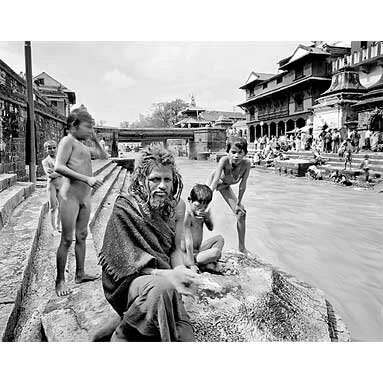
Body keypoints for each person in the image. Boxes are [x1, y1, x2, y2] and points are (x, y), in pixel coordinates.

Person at [97, 145, 199, 342]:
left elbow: (175, 249)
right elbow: (124, 264)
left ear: (174, 180)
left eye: (167, 179)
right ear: (142, 181)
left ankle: (128, 321)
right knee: (161, 289)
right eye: (155, 179)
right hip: (130, 282)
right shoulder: (125, 207)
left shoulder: (178, 207)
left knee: (185, 336)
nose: (162, 185)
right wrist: (167, 274)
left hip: (164, 278)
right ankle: (123, 334)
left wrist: (180, 272)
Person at [54, 108, 108, 297]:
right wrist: (87, 179)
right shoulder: (67, 141)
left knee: (83, 235)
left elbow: (103, 156)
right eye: (87, 126)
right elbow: (58, 166)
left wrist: (94, 138)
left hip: (85, 196)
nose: (89, 130)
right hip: (70, 196)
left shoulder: (83, 145)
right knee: (67, 239)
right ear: (74, 125)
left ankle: (80, 273)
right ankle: (60, 280)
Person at [206, 136, 251, 254]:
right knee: (201, 208)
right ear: (228, 152)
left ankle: (242, 247)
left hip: (225, 186)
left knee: (241, 213)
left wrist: (239, 203)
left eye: (240, 153)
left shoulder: (246, 164)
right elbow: (215, 181)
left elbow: (242, 186)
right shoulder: (224, 161)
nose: (236, 156)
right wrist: (207, 198)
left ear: (245, 153)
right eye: (233, 152)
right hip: (215, 181)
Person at [182, 184, 224, 274]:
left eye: (204, 207)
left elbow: (211, 228)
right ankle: (203, 263)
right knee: (216, 252)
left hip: (198, 251)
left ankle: (206, 263)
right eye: (198, 206)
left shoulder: (201, 215)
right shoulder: (187, 216)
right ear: (189, 200)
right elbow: (188, 240)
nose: (201, 209)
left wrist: (208, 218)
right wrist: (191, 264)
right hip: (187, 255)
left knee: (219, 239)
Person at [42, 140, 63, 232]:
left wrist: (56, 172)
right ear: (46, 150)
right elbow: (50, 175)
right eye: (49, 148)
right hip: (52, 186)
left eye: (54, 148)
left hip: (61, 185)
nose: (52, 150)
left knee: (62, 207)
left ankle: (59, 226)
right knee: (52, 207)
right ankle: (53, 228)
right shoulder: (45, 161)